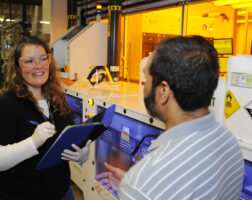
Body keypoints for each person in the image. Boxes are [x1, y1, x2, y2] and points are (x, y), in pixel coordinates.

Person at [97, 36, 245, 200]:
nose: (144, 87)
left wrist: (134, 189)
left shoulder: (142, 183)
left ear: (163, 92)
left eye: (146, 79)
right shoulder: (230, 143)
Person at [0, 36, 91, 200]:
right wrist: (32, 142)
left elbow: (67, 137)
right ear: (17, 66)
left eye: (42, 58)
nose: (38, 66)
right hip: (16, 194)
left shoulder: (57, 99)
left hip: (60, 191)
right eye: (29, 61)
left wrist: (82, 154)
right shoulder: (6, 105)